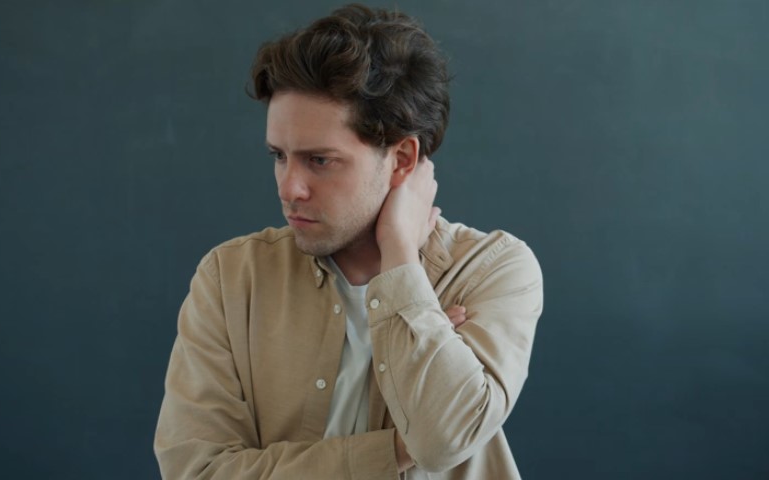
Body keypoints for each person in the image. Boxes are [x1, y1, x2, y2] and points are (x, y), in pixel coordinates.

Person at [154, 4, 543, 479]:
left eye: (319, 160)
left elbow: (441, 443)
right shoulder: (232, 279)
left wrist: (400, 260)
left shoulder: (492, 270)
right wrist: (395, 450)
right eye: (279, 156)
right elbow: (196, 472)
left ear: (401, 160)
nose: (288, 187)